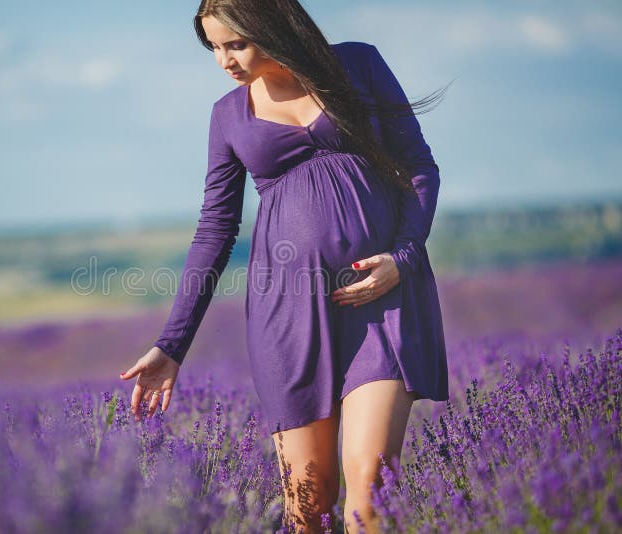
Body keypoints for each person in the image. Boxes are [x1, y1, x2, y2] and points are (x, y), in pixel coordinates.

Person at [121, 1, 451, 532]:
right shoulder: (228, 115)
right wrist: (172, 343)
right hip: (288, 317)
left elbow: (419, 168)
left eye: (236, 44)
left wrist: (403, 259)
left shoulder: (359, 66)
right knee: (307, 507)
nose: (224, 60)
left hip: (379, 297)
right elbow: (215, 229)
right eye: (213, 47)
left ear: (270, 29)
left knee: (369, 494)